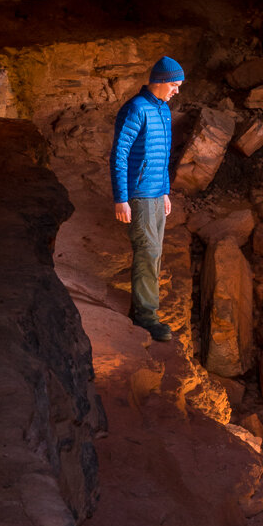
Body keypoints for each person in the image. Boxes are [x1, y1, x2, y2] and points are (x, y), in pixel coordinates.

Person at [111, 57, 183, 341]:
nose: (177, 91)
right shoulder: (135, 109)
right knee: (148, 252)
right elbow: (119, 154)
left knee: (154, 253)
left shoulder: (163, 110)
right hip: (138, 195)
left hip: (155, 194)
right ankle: (145, 317)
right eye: (175, 85)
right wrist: (121, 198)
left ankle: (141, 309)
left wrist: (165, 191)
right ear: (162, 81)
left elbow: (163, 157)